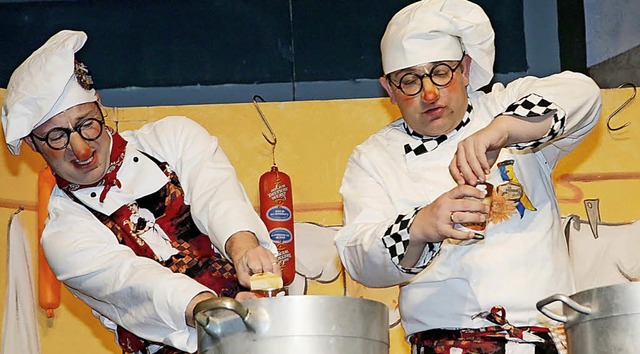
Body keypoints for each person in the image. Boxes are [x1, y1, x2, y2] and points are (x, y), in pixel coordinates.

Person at [333, 0, 602, 353]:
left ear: (464, 70)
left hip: (545, 338)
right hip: (444, 344)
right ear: (389, 90)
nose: (429, 93)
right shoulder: (374, 157)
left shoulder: (503, 108)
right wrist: (421, 225)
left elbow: (584, 94)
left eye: (441, 72)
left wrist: (503, 131)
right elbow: (357, 256)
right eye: (410, 81)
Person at [1, 30, 280, 354]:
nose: (80, 149)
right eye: (57, 137)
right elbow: (136, 284)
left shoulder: (173, 138)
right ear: (35, 145)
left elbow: (218, 197)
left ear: (99, 104)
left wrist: (245, 250)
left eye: (86, 123)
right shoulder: (64, 234)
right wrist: (211, 310)